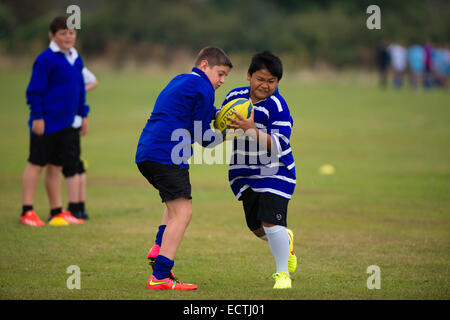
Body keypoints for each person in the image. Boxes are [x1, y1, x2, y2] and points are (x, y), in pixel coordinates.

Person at [135, 46, 232, 290]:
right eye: (220, 74)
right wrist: (229, 132)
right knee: (183, 213)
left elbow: (202, 116)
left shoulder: (181, 80)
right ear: (204, 66)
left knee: (174, 204)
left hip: (147, 151)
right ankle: (161, 276)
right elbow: (204, 136)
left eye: (225, 77)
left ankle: (158, 249)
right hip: (166, 153)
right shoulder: (203, 88)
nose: (221, 81)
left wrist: (222, 116)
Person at [221, 51, 297, 289]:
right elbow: (221, 126)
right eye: (260, 79)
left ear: (278, 83)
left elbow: (279, 144)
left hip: (276, 171)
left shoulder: (277, 105)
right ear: (249, 76)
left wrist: (251, 129)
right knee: (257, 228)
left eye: (271, 81)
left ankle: (282, 274)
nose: (265, 85)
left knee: (271, 222)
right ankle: (286, 240)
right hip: (244, 172)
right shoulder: (234, 97)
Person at [20, 16, 89, 227]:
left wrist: (83, 114)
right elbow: (34, 91)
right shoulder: (45, 59)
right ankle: (27, 211)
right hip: (47, 122)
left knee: (56, 167)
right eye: (62, 33)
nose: (68, 37)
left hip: (68, 123)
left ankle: (56, 211)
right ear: (52, 36)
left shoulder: (76, 59)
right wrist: (38, 117)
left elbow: (80, 90)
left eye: (71, 33)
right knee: (36, 164)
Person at [63, 67, 98, 219]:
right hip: (72, 121)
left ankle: (74, 209)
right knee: (76, 164)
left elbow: (93, 82)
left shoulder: (73, 62)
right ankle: (80, 208)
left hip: (66, 123)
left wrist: (75, 92)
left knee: (72, 165)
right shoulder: (73, 61)